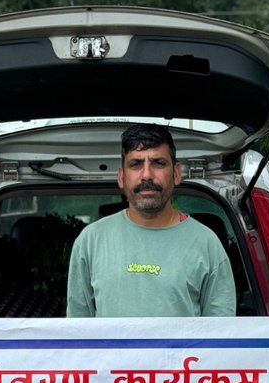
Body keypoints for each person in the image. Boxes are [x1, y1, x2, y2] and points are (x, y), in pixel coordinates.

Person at [66, 123, 236, 317]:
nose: (147, 175)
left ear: (176, 173)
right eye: (136, 164)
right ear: (121, 177)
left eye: (158, 163)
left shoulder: (207, 243)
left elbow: (220, 332)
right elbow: (78, 329)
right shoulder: (90, 240)